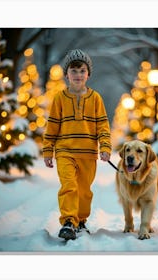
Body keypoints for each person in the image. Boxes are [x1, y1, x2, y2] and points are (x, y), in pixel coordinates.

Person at [43, 49, 111, 240]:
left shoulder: (95, 98)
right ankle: (68, 222)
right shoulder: (60, 98)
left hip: (88, 154)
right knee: (69, 186)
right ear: (66, 74)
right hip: (65, 152)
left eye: (82, 71)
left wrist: (105, 148)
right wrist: (48, 151)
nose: (78, 75)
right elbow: (52, 127)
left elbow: (103, 127)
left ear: (88, 74)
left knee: (84, 191)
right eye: (73, 71)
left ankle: (80, 220)